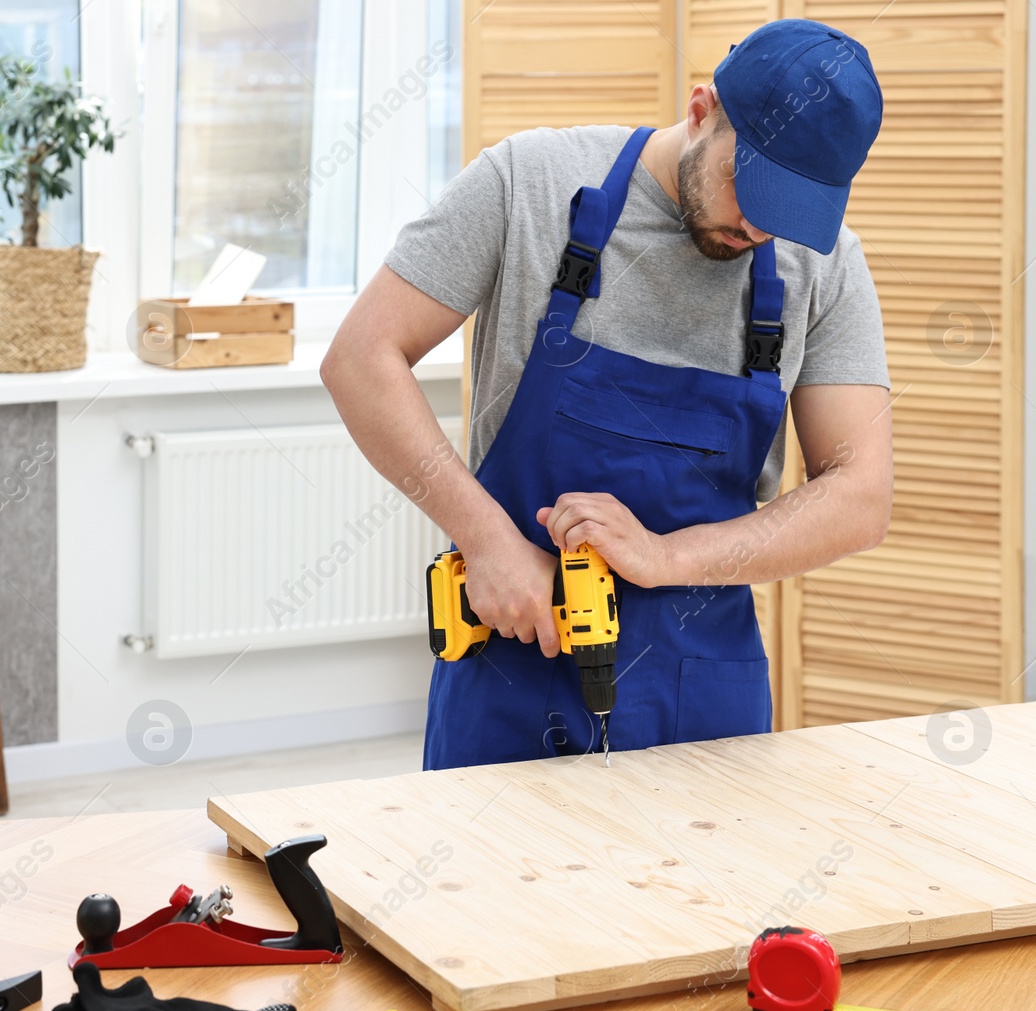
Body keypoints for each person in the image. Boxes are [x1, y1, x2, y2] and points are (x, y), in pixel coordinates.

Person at [322, 20, 894, 770]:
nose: (759, 225)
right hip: (513, 670)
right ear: (701, 109)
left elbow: (861, 495)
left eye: (790, 211)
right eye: (748, 188)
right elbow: (360, 357)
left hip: (705, 696)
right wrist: (488, 541)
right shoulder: (528, 183)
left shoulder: (826, 268)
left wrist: (666, 556)